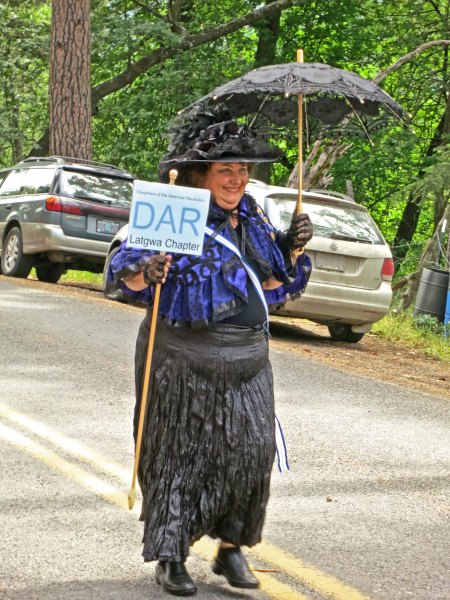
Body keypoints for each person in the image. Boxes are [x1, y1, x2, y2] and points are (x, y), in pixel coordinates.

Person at [108, 119, 313, 597]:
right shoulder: (175, 208)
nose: (237, 178)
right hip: (183, 358)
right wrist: (148, 268)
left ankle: (230, 548)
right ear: (201, 172)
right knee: (180, 455)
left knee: (250, 452)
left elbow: (274, 283)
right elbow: (124, 274)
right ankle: (170, 555)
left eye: (243, 168)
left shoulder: (253, 215)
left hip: (249, 360)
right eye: (227, 168)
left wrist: (294, 244)